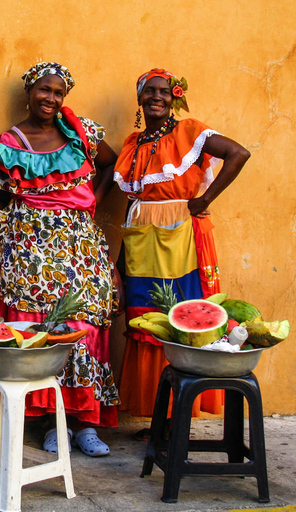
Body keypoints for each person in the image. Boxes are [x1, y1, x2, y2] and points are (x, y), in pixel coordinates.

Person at [0, 62, 122, 457]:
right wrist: (27, 209)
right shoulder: (11, 141)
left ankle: (86, 423)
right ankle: (54, 423)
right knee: (42, 333)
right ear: (29, 92)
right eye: (43, 90)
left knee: (83, 326)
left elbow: (112, 163)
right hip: (30, 253)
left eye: (57, 92)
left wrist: (93, 201)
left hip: (81, 248)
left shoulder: (82, 134)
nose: (50, 98)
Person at [114, 69, 249, 425]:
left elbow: (238, 153)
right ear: (140, 98)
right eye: (149, 91)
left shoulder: (188, 131)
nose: (157, 97)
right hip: (141, 238)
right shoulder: (133, 143)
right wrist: (118, 263)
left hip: (182, 235)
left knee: (183, 315)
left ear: (175, 98)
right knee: (148, 319)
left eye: (164, 92)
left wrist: (203, 199)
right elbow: (132, 204)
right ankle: (157, 415)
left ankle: (179, 417)